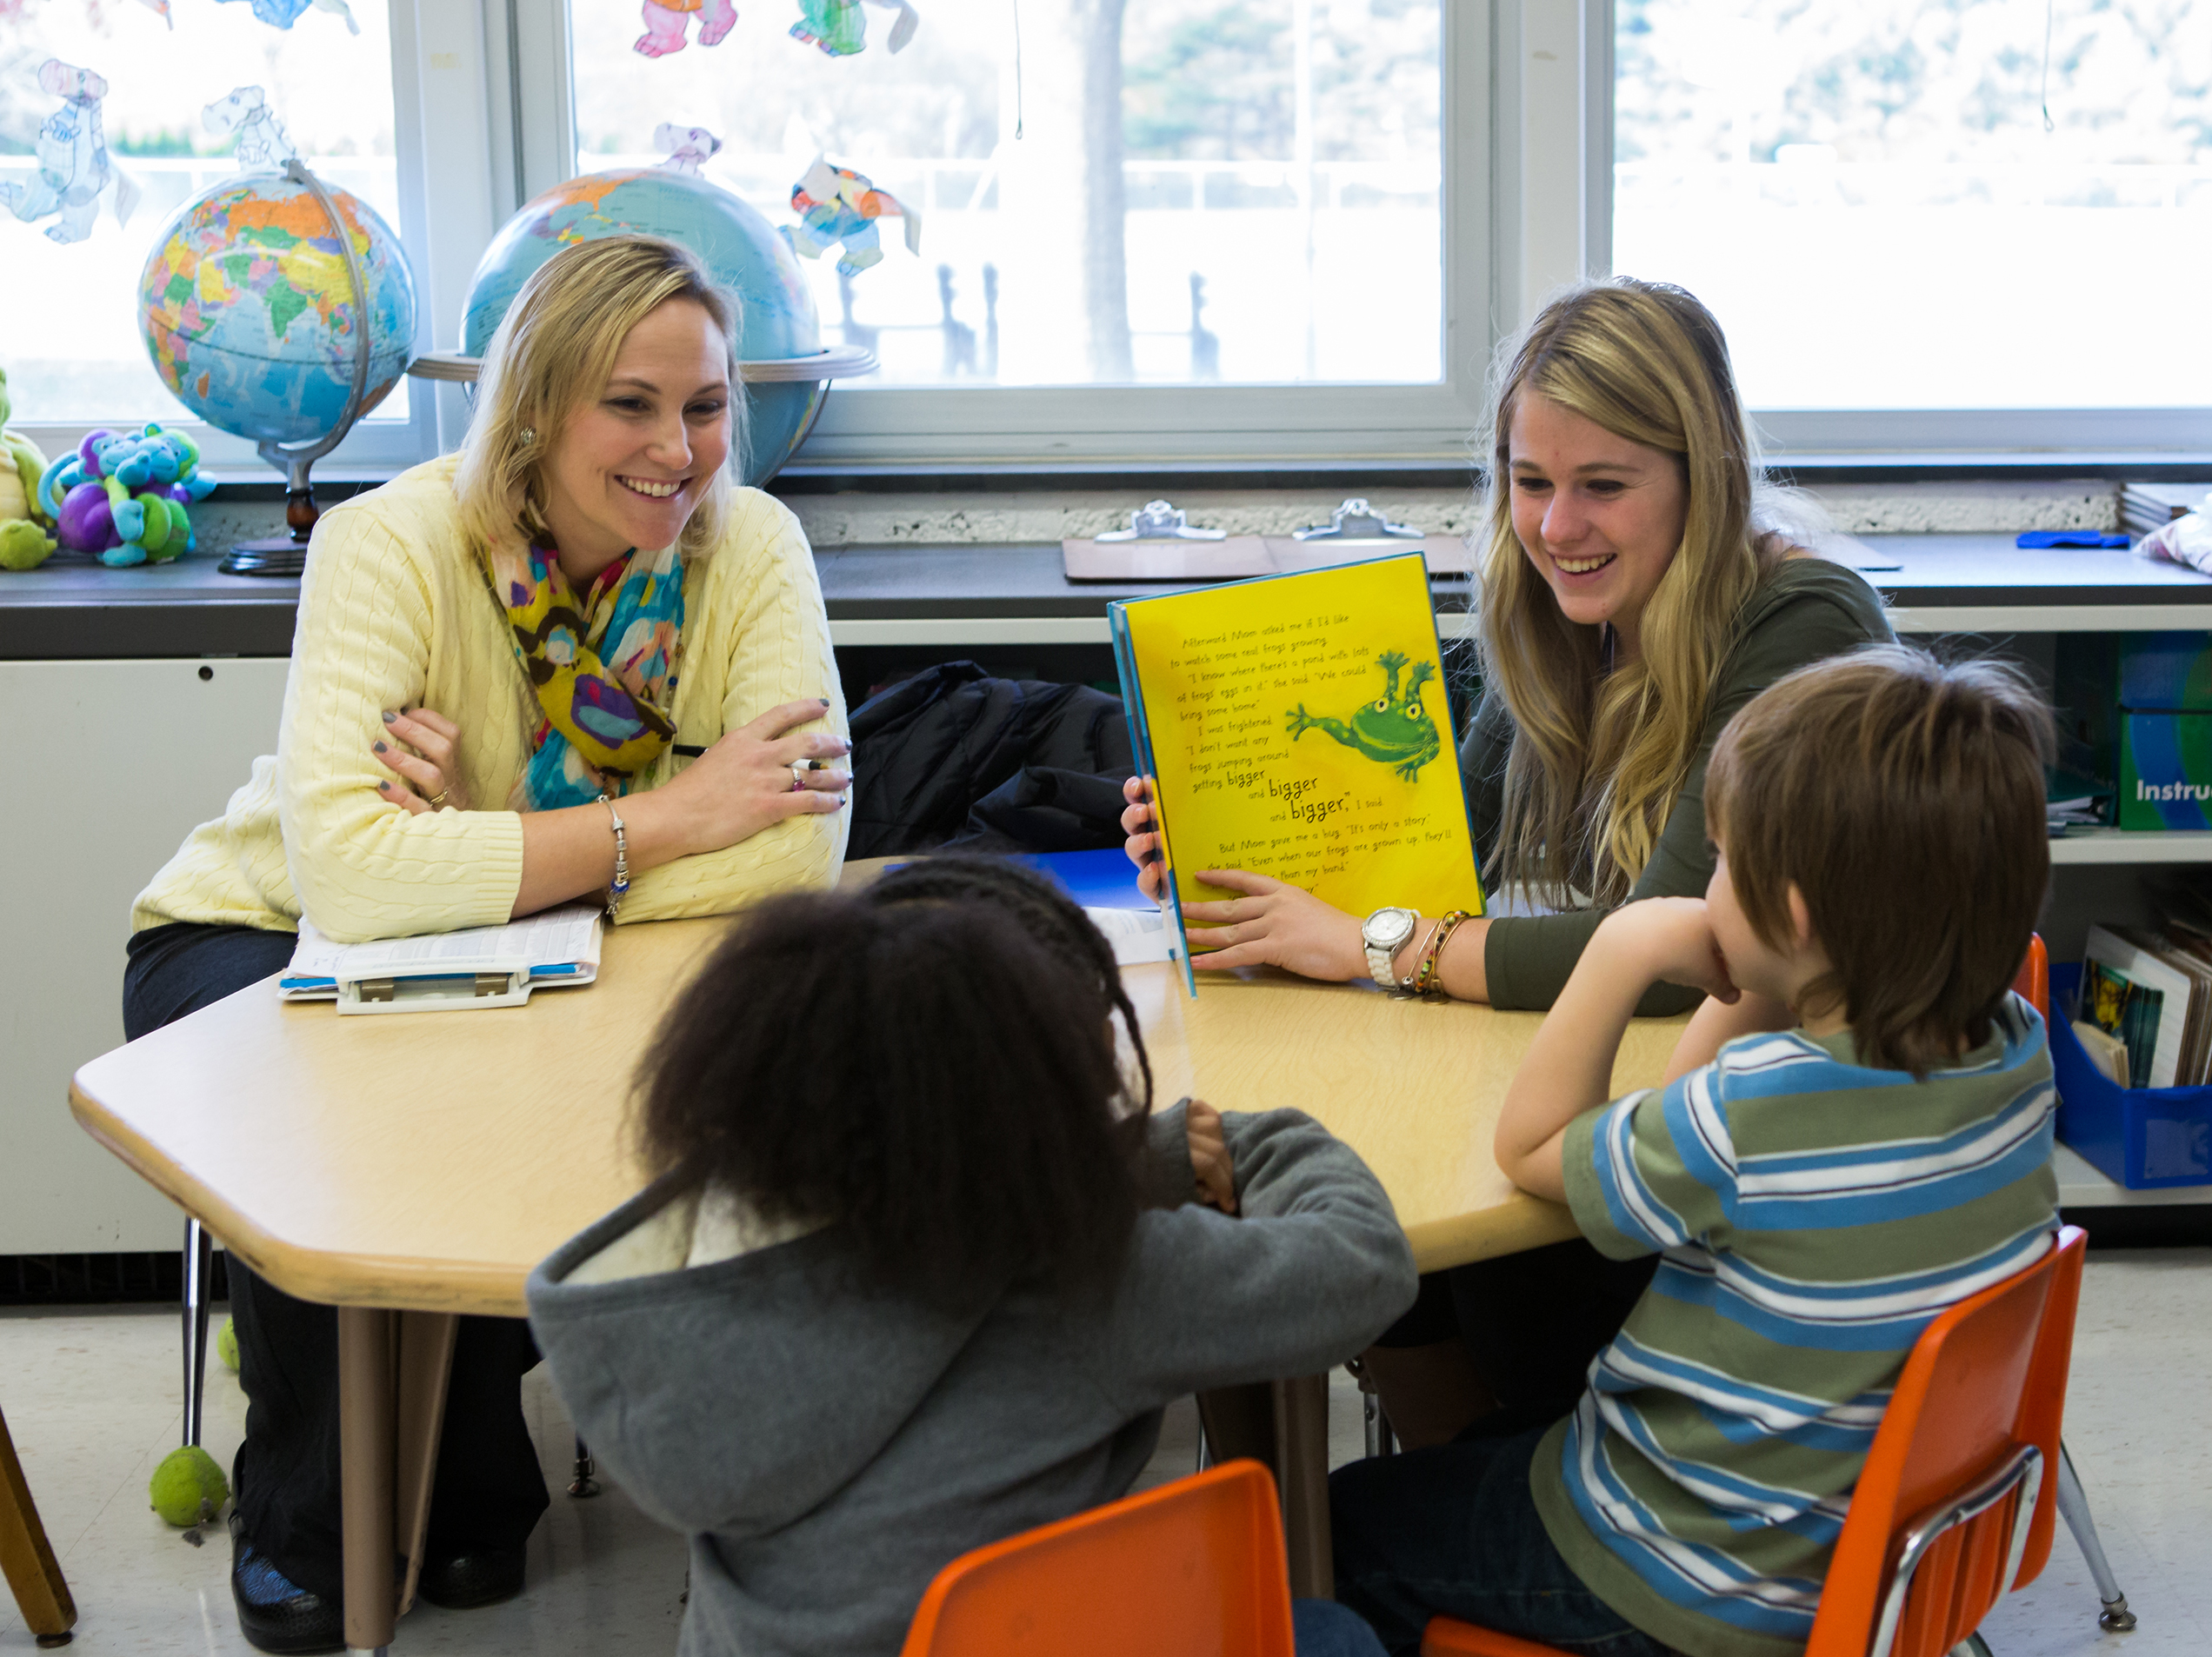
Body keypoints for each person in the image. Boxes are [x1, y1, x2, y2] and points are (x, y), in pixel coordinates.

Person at [123, 234, 851, 1654]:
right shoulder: (390, 543)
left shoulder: (749, 543)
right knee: (329, 1104)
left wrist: (484, 855)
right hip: (252, 933)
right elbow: (342, 871)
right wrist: (663, 817)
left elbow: (794, 844)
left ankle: (462, 1461)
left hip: (532, 950)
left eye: (702, 406)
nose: (677, 447)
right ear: (531, 410)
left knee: (536, 1066)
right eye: (627, 405)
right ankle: (309, 1513)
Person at [1121, 276, 1896, 1443]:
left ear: (1706, 472)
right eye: (1530, 483)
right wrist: (1233, 851)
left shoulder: (1802, 626)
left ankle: (1454, 1529)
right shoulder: (1561, 617)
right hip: (1626, 1102)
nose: (1555, 529)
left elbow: (1690, 949)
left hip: (1751, 1191)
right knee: (1316, 1204)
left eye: (1603, 486)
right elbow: (1429, 850)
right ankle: (1431, 1519)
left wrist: (1376, 941)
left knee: (1394, 1238)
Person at [1329, 646, 2062, 1657]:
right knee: (1494, 1443)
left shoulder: (1755, 1113)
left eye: (1720, 861)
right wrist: (1778, 965)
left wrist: (1622, 946)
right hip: (1846, 1548)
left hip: (1677, 1574)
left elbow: (1534, 1145)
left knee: (1337, 1522)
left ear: (1796, 914)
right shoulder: (2016, 1053)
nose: (1704, 884)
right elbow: (1694, 1114)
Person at [525, 856, 1421, 1657]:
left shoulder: (706, 1290)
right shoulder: (1092, 1276)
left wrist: (1121, 1161)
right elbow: (1363, 1261)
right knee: (1328, 1628)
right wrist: (1252, 1139)